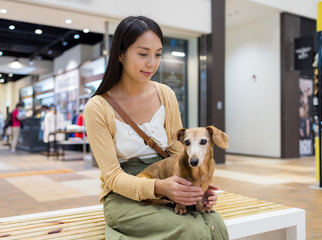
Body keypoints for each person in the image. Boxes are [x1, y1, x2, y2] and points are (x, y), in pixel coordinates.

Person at [84, 16, 228, 239]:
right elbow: (111, 176)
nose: (152, 63)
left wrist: (194, 184)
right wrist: (159, 187)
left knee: (214, 223)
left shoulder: (165, 94)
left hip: (170, 182)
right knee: (189, 228)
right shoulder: (98, 107)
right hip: (125, 195)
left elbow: (179, 152)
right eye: (143, 54)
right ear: (120, 54)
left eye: (158, 54)